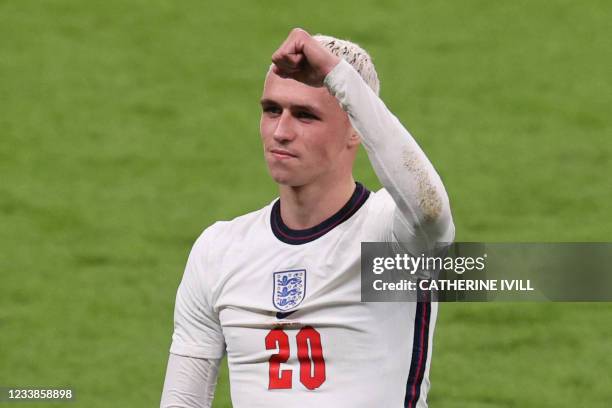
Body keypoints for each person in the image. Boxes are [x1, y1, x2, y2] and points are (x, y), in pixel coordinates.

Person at [160, 28, 454, 408]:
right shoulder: (218, 251)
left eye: (305, 115)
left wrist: (337, 74)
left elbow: (429, 208)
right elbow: (183, 400)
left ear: (355, 129)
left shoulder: (389, 238)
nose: (281, 132)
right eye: (271, 110)